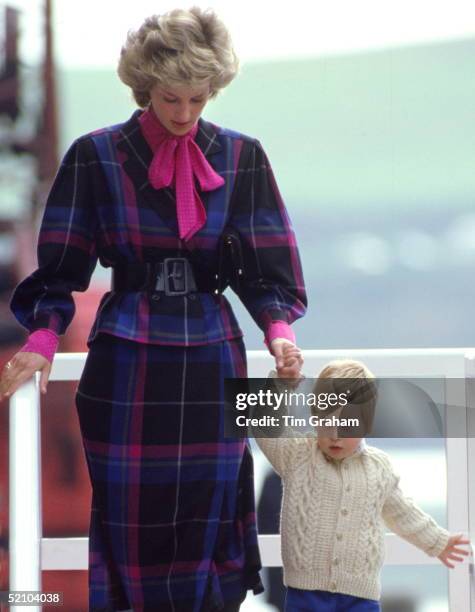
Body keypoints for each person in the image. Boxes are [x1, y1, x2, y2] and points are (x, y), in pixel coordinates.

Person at [0, 7, 307, 611]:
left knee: (211, 515)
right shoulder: (95, 156)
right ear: (144, 85)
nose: (185, 113)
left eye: (199, 97)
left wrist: (277, 333)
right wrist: (39, 344)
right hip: (125, 365)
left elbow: (266, 272)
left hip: (214, 360)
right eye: (172, 97)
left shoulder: (243, 157)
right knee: (131, 524)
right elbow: (60, 274)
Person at [254, 355, 471, 612]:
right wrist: (280, 385)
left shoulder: (378, 469)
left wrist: (437, 541)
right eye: (326, 421)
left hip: (360, 597)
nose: (335, 434)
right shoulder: (298, 455)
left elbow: (403, 513)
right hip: (306, 595)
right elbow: (264, 426)